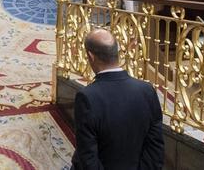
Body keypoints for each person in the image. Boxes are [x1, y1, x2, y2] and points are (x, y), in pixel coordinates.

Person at [70, 29, 164, 170]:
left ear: (90, 56)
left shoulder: (87, 97)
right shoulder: (147, 90)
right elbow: (155, 148)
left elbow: (88, 158)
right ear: (117, 52)